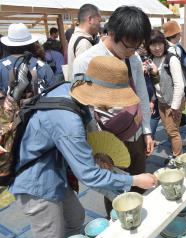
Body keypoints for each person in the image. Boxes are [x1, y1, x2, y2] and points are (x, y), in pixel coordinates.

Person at [7, 55, 157, 238]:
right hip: (36, 182)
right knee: (51, 234)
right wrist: (135, 180)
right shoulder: (68, 121)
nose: (113, 104)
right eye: (113, 98)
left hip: (56, 170)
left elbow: (87, 138)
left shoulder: (72, 90)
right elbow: (89, 175)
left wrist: (96, 155)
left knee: (75, 217)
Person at [72, 6, 154, 216]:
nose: (133, 51)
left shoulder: (133, 58)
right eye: (129, 46)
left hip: (135, 132)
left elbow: (142, 94)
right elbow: (84, 107)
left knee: (139, 183)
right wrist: (96, 147)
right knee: (117, 193)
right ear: (112, 34)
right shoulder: (86, 61)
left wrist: (146, 130)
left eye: (137, 46)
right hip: (108, 139)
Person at [144, 30, 185, 160]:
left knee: (172, 131)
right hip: (161, 101)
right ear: (148, 46)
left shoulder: (171, 59)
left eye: (159, 44)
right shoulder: (151, 60)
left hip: (173, 101)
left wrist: (174, 106)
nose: (157, 48)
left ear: (164, 43)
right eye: (153, 45)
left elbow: (179, 85)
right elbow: (154, 83)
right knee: (169, 129)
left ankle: (178, 158)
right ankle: (178, 146)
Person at [0, 23, 55, 95]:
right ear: (31, 44)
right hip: (39, 105)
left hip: (9, 104)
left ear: (8, 45)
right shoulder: (43, 66)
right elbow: (53, 94)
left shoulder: (1, 65)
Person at [67, 4, 101, 81]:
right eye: (99, 21)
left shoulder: (75, 36)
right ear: (90, 19)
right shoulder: (84, 43)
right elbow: (85, 76)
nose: (100, 25)